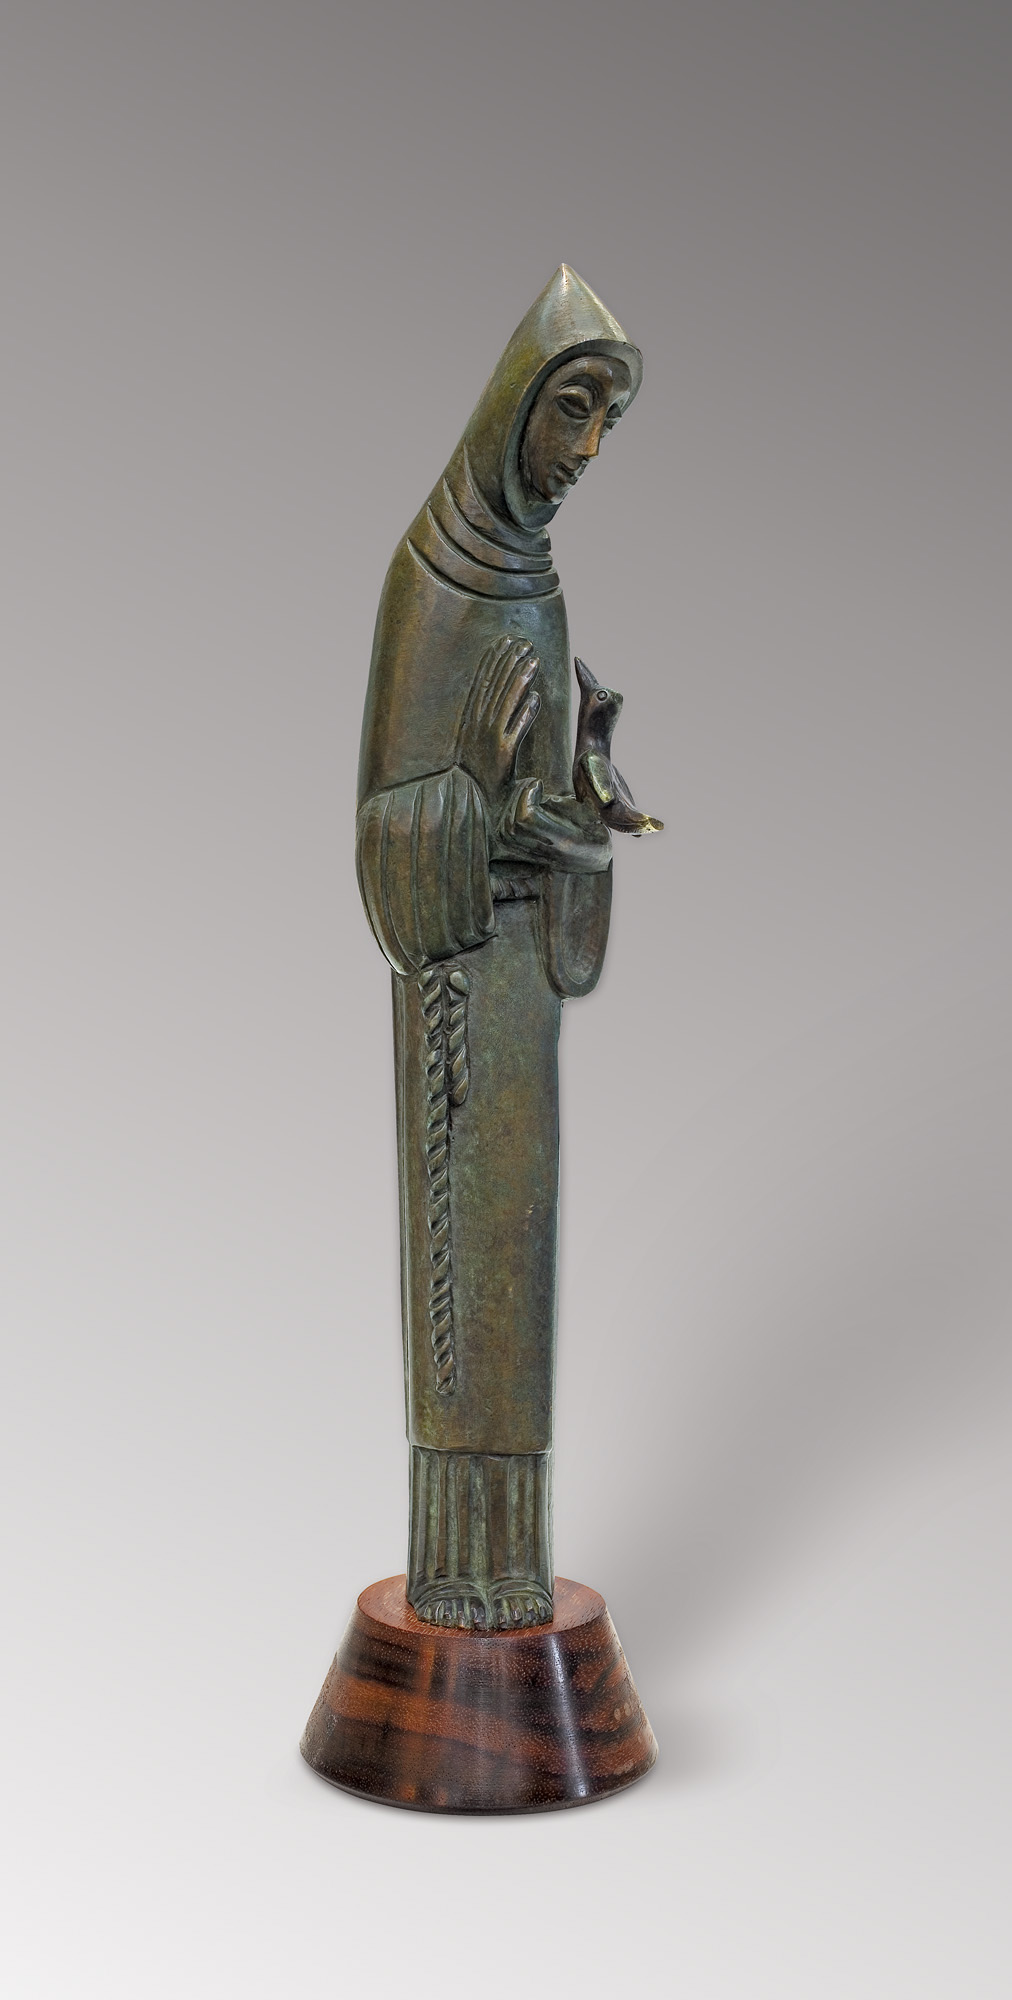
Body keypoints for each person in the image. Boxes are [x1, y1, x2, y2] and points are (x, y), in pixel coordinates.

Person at [356, 265, 643, 1629]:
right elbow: (384, 825)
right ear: (512, 404)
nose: (585, 448)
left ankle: (510, 1562)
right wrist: (470, 794)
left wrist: (584, 801)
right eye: (572, 408)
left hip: (522, 988)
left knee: (519, 1276)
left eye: (605, 422)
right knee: (465, 1277)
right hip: (458, 998)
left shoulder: (540, 593)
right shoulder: (429, 583)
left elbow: (542, 808)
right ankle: (457, 1571)